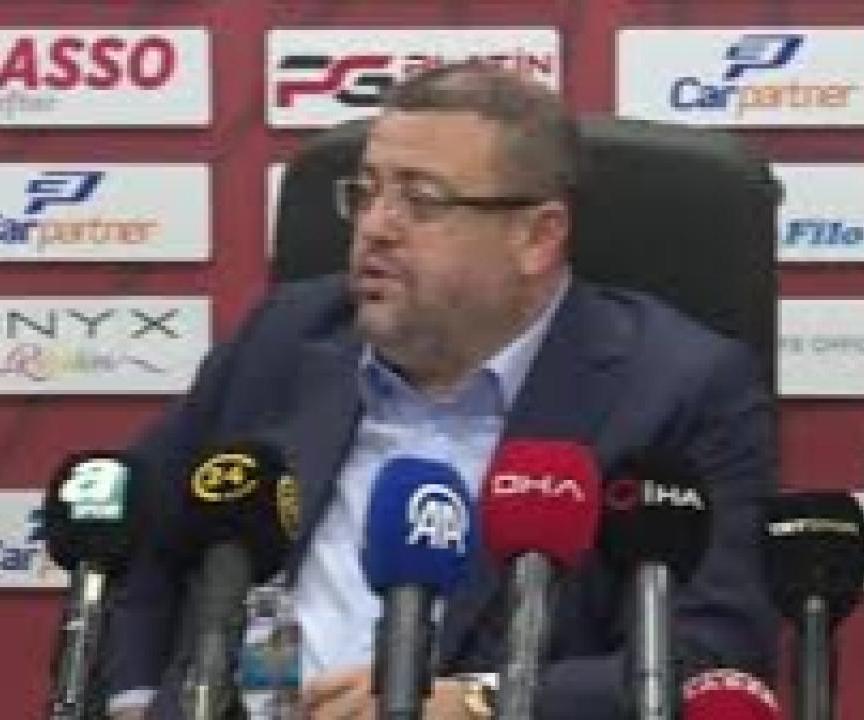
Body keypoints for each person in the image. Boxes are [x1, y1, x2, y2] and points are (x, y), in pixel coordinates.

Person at [103, 63, 776, 719]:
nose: (375, 226)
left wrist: (479, 701)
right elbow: (130, 539)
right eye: (366, 193)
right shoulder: (287, 335)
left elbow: (709, 652)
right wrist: (132, 699)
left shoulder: (676, 388)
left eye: (420, 200)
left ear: (536, 237)